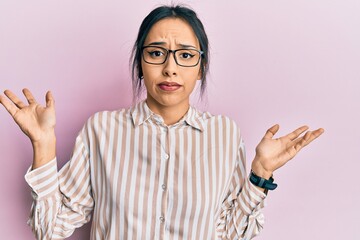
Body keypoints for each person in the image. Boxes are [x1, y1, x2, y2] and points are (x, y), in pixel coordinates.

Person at [0, 4, 324, 240]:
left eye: (185, 55)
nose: (170, 68)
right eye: (156, 53)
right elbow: (48, 229)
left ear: (201, 67)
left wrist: (261, 174)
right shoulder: (101, 130)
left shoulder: (225, 134)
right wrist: (43, 145)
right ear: (140, 63)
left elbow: (232, 233)